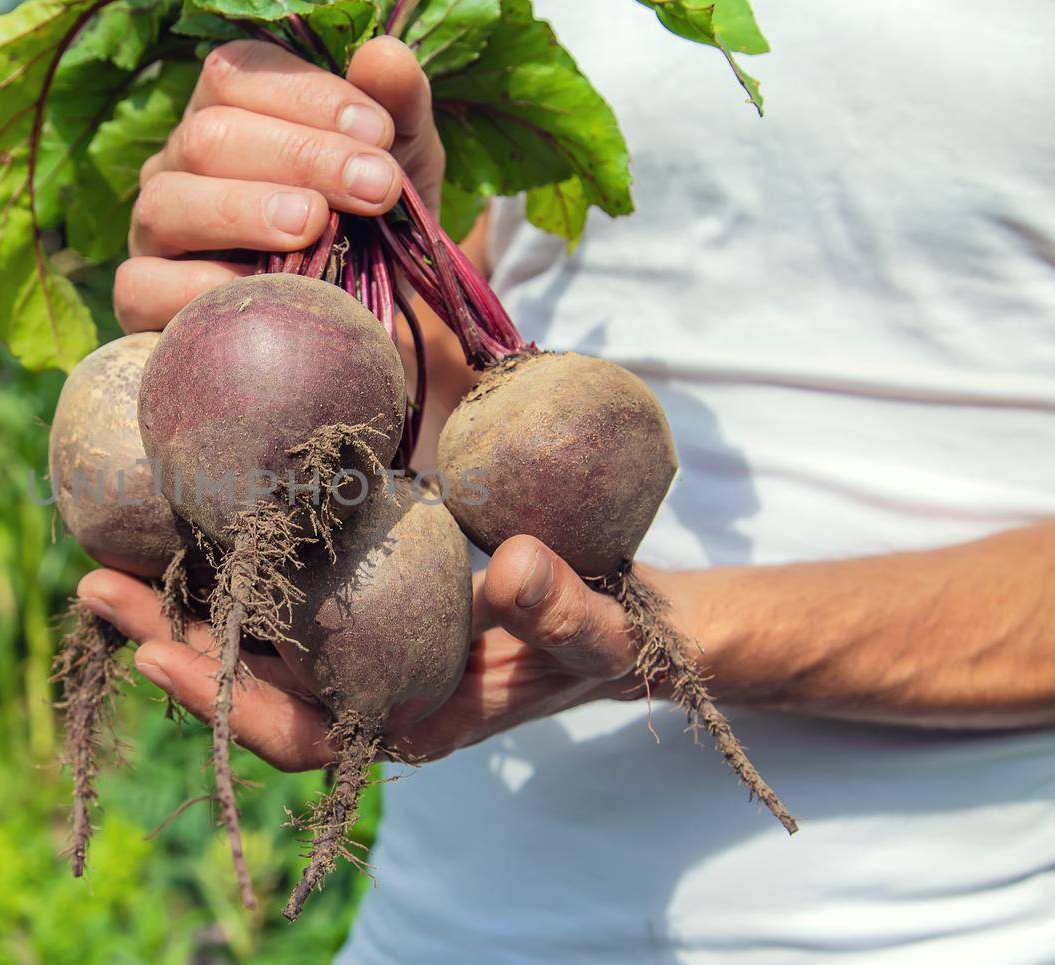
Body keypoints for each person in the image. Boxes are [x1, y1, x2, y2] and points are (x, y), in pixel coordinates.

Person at [77, 2, 1055, 959]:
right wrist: (261, 284)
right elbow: (434, 396)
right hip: (442, 919)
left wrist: (670, 639)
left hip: (946, 922)